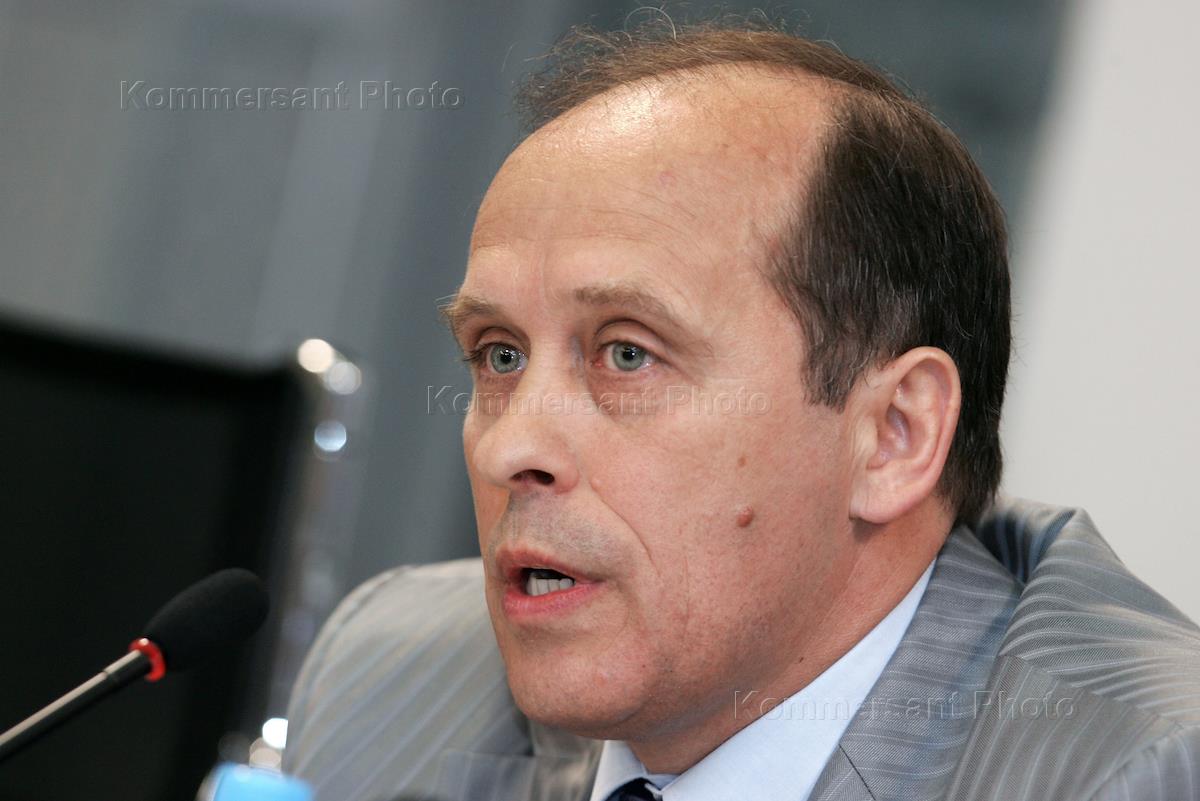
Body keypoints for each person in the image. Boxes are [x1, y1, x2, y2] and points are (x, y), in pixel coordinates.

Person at [282, 21, 1200, 801]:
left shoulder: (1140, 772)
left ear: (894, 435)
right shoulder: (386, 674)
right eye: (500, 355)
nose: (508, 445)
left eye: (627, 353)